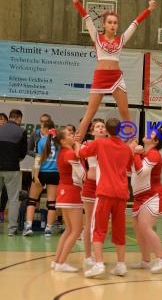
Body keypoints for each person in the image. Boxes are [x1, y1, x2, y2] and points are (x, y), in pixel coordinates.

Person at [72, 0, 157, 142]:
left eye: (115, 23)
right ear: (104, 24)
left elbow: (135, 24)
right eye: (109, 22)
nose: (112, 25)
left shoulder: (121, 39)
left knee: (125, 112)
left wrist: (148, 10)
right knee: (90, 113)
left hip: (116, 78)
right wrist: (77, 3)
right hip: (100, 77)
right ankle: (76, 145)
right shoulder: (97, 37)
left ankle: (132, 144)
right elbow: (87, 18)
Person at [77, 118, 134, 278]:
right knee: (119, 229)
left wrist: (76, 143)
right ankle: (121, 264)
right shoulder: (126, 148)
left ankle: (99, 264)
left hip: (105, 192)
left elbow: (81, 153)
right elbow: (129, 164)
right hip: (122, 193)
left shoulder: (100, 143)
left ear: (107, 130)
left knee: (98, 229)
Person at [129, 128, 162, 273]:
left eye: (151, 135)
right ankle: (145, 260)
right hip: (139, 197)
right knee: (139, 229)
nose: (147, 134)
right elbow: (132, 171)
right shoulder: (145, 154)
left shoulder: (154, 154)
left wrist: (135, 154)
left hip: (152, 196)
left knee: (145, 227)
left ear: (155, 141)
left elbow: (142, 172)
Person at [52, 127, 85, 272]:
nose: (73, 135)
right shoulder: (70, 153)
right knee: (76, 231)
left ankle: (57, 261)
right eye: (70, 134)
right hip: (71, 193)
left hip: (64, 192)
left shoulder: (63, 153)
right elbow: (83, 175)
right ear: (63, 140)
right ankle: (61, 262)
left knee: (69, 229)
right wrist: (79, 149)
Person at [22, 120, 59, 237]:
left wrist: (36, 175)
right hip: (55, 174)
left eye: (41, 128)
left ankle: (28, 226)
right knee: (52, 203)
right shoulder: (59, 141)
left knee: (32, 200)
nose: (39, 130)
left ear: (46, 129)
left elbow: (38, 160)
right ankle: (48, 229)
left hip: (42, 173)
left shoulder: (41, 141)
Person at [80, 118, 106, 269]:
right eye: (98, 127)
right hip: (91, 185)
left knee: (102, 222)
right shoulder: (88, 144)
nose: (101, 129)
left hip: (105, 185)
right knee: (89, 221)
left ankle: (98, 255)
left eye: (103, 126)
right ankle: (88, 256)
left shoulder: (110, 145)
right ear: (92, 131)